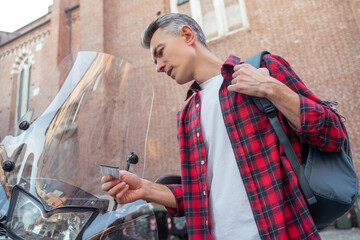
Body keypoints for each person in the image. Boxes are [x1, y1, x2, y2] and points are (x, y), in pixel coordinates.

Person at [101, 13, 345, 240]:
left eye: (160, 52)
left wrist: (271, 88)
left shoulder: (262, 70)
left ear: (187, 36)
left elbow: (333, 135)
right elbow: (198, 195)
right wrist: (144, 188)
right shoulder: (186, 116)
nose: (158, 67)